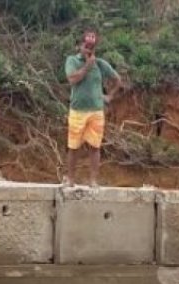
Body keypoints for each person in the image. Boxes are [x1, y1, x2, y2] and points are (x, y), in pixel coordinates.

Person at [63, 30, 120, 188]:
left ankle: (93, 180)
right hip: (77, 111)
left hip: (96, 111)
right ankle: (70, 179)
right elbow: (72, 79)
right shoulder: (72, 61)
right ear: (80, 46)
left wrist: (109, 97)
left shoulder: (101, 64)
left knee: (95, 147)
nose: (89, 49)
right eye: (86, 45)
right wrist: (87, 65)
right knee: (73, 147)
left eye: (92, 47)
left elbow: (117, 80)